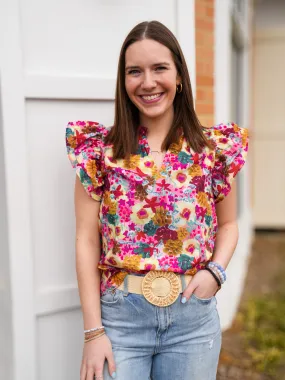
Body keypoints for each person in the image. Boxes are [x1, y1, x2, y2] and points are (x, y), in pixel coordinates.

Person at [66, 20, 249, 380]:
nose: (147, 82)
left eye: (159, 68)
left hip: (192, 322)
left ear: (179, 74)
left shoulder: (212, 150)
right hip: (121, 322)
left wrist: (216, 271)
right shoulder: (99, 152)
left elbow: (228, 224)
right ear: (124, 81)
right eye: (135, 71)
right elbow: (87, 240)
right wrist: (93, 331)